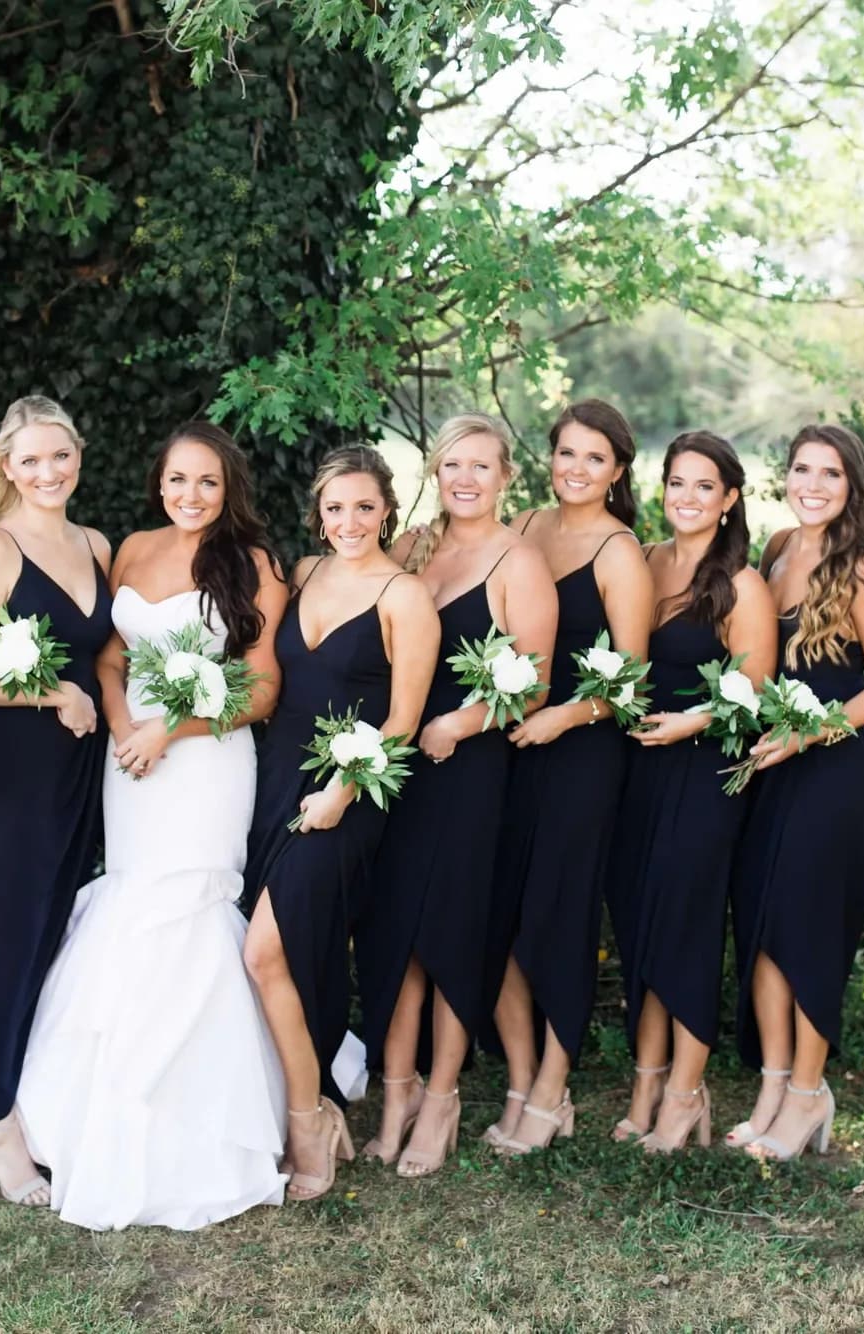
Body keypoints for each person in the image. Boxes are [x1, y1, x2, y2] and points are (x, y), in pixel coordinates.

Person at [17, 422, 292, 1230]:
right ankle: (91, 1107)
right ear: (158, 484)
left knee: (189, 905)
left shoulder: (256, 566)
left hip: (205, 758)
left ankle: (205, 1127)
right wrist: (123, 726)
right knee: (133, 898)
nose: (191, 496)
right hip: (130, 759)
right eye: (178, 480)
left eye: (207, 482)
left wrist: (171, 728)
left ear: (229, 487)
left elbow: (265, 688)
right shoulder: (130, 549)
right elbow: (108, 661)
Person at [357, 414, 556, 1178]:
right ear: (433, 475)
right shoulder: (412, 549)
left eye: (480, 466)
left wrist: (462, 723)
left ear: (507, 476)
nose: (464, 479)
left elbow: (535, 683)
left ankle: (442, 1100)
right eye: (450, 466)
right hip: (398, 765)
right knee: (396, 934)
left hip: (467, 770)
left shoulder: (519, 562)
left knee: (448, 937)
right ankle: (396, 1094)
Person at [242, 446, 438, 1201]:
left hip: (348, 797)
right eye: (334, 507)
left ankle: (308, 1120)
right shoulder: (302, 574)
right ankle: (315, 1092)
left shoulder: (404, 596)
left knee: (267, 952)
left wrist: (342, 793)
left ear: (387, 510)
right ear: (316, 513)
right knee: (300, 953)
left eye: (363, 506)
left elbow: (403, 722)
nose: (348, 521)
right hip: (276, 784)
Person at [0, 396, 113, 1207]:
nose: (49, 472)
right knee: (0, 938)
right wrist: (53, 695)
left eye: (61, 456)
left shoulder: (97, 543)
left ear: (78, 457)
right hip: (9, 772)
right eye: (31, 460)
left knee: (52, 934)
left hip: (80, 773)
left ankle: (35, 1098)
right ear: (7, 468)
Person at [730, 424, 864, 1161]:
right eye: (802, 469)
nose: (812, 484)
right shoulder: (777, 550)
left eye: (829, 474)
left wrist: (813, 733)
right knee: (763, 923)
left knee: (807, 924)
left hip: (833, 765)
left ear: (852, 486)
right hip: (775, 755)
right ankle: (774, 1083)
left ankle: (809, 1093)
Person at [486, 399, 653, 1156]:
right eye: (566, 453)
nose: (576, 469)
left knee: (558, 917)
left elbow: (633, 679)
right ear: (548, 456)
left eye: (594, 458)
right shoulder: (521, 529)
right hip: (509, 746)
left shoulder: (620, 552)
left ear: (617, 471)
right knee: (502, 916)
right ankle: (522, 1080)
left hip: (582, 754)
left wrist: (564, 717)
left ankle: (555, 1090)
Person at [604, 432, 776, 1154]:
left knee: (688, 922)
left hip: (706, 772)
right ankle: (645, 1082)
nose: (687, 497)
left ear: (730, 499)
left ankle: (685, 1091)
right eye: (677, 482)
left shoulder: (742, 583)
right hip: (640, 767)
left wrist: (691, 724)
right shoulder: (646, 560)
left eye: (704, 486)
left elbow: (756, 692)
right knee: (641, 918)